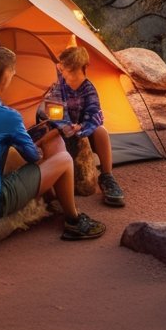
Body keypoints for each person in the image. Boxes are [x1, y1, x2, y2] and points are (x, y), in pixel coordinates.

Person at [0, 45, 105, 241]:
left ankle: (56, 200)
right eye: (14, 71)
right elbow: (33, 157)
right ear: (7, 75)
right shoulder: (7, 117)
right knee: (64, 160)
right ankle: (74, 221)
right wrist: (35, 141)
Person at [37, 45, 125, 208]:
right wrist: (67, 126)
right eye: (66, 69)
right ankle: (51, 190)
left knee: (101, 131)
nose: (68, 74)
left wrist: (82, 128)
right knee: (49, 133)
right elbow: (52, 110)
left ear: (83, 68)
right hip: (61, 130)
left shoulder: (88, 89)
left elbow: (94, 114)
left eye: (72, 70)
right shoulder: (58, 86)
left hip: (81, 132)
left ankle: (106, 176)